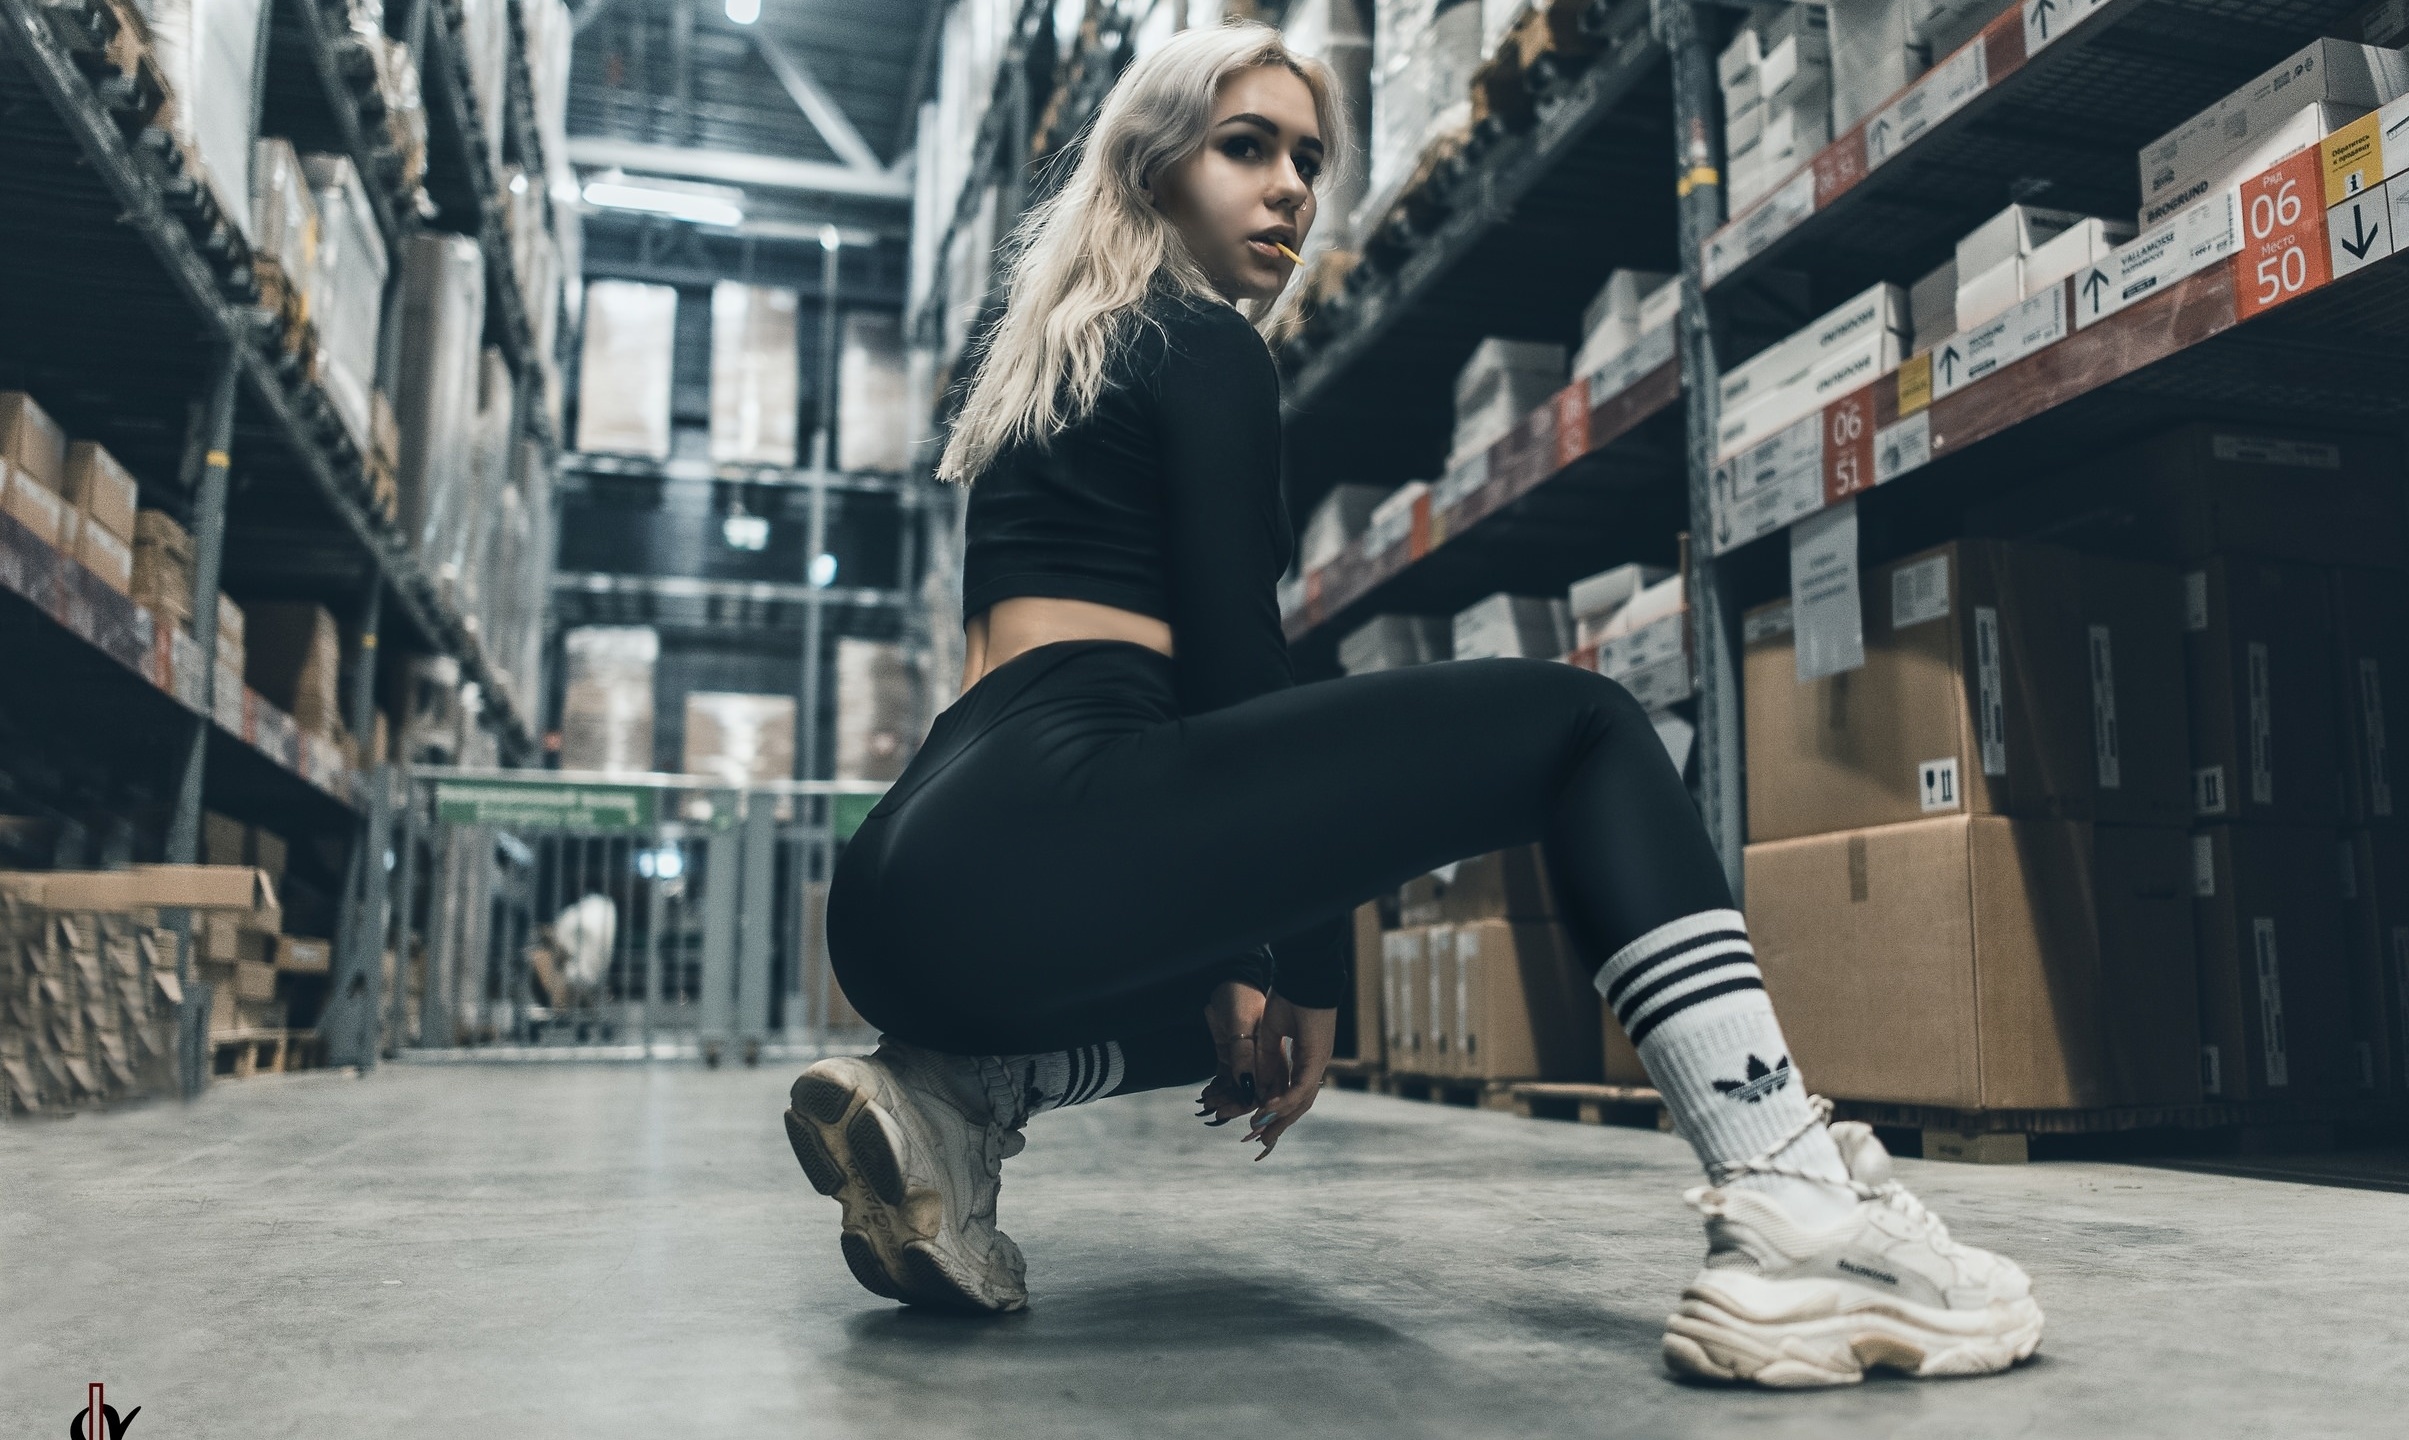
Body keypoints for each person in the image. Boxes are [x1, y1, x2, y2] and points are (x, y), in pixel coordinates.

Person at [786, 21, 2042, 1388]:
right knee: (1586, 730)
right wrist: (1306, 963)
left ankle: (958, 1096)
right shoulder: (1199, 343)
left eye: (1311, 162)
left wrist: (1259, 966)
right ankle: (1794, 1199)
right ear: (1151, 170)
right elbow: (1231, 659)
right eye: (1247, 148)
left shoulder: (1044, 372)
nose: (1292, 192)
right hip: (1054, 816)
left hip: (908, 898)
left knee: (1231, 1012)